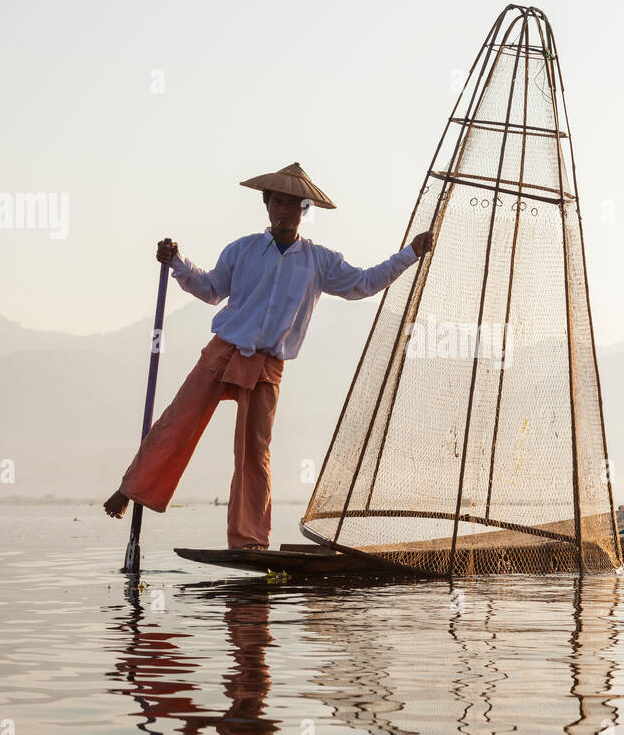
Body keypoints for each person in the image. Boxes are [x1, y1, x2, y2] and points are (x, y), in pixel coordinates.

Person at [103, 162, 432, 549]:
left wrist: (410, 253)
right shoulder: (242, 250)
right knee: (178, 422)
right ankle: (131, 489)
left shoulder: (319, 261)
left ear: (303, 211)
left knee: (253, 453)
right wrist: (176, 261)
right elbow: (210, 289)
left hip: (267, 365)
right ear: (267, 205)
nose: (283, 211)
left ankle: (249, 539)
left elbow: (363, 284)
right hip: (223, 351)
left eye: (292, 204)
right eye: (277, 202)